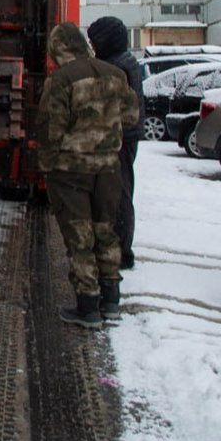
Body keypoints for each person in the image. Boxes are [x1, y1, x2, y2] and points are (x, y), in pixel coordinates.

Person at [37, 22, 140, 327]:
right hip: (108, 168)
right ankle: (111, 300)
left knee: (80, 237)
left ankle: (88, 307)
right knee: (106, 232)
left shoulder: (60, 80)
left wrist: (47, 164)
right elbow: (131, 115)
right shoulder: (116, 74)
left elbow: (50, 129)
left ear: (58, 48)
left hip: (71, 172)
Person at [87, 16, 145, 270]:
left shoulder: (117, 67)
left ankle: (120, 252)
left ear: (105, 40)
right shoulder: (124, 61)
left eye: (94, 41)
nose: (92, 46)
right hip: (124, 137)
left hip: (118, 139)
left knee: (117, 195)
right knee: (119, 192)